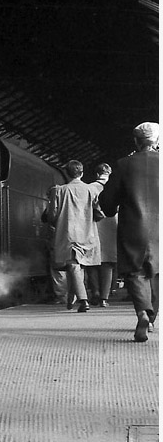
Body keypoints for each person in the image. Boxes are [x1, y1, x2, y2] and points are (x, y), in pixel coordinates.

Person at [98, 122, 159, 342]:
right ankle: (152, 318)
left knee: (135, 273)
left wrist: (112, 206)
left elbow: (108, 203)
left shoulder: (124, 165)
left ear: (136, 141)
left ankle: (143, 312)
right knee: (157, 273)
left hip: (133, 227)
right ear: (157, 141)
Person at [44, 160, 102, 312]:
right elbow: (99, 213)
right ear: (81, 173)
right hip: (87, 234)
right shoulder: (91, 190)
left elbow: (52, 216)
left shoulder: (59, 190)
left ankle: (83, 300)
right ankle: (72, 298)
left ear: (67, 173)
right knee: (77, 267)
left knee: (73, 266)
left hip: (67, 234)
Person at [88, 163, 117, 307]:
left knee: (92, 264)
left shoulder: (90, 188)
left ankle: (95, 293)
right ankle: (104, 298)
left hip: (93, 227)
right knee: (108, 264)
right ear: (109, 173)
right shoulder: (115, 187)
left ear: (96, 174)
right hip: (112, 228)